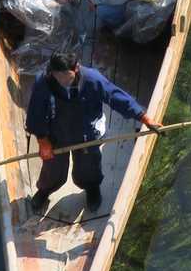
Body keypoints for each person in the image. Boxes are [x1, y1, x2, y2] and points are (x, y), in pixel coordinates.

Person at [25, 53, 162, 213]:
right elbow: (35, 114)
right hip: (57, 135)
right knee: (53, 170)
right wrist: (43, 142)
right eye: (58, 76)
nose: (62, 80)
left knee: (89, 168)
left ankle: (92, 189)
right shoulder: (43, 82)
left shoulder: (92, 79)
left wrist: (144, 118)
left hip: (86, 134)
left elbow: (116, 97)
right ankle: (44, 191)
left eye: (66, 75)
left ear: (76, 69)